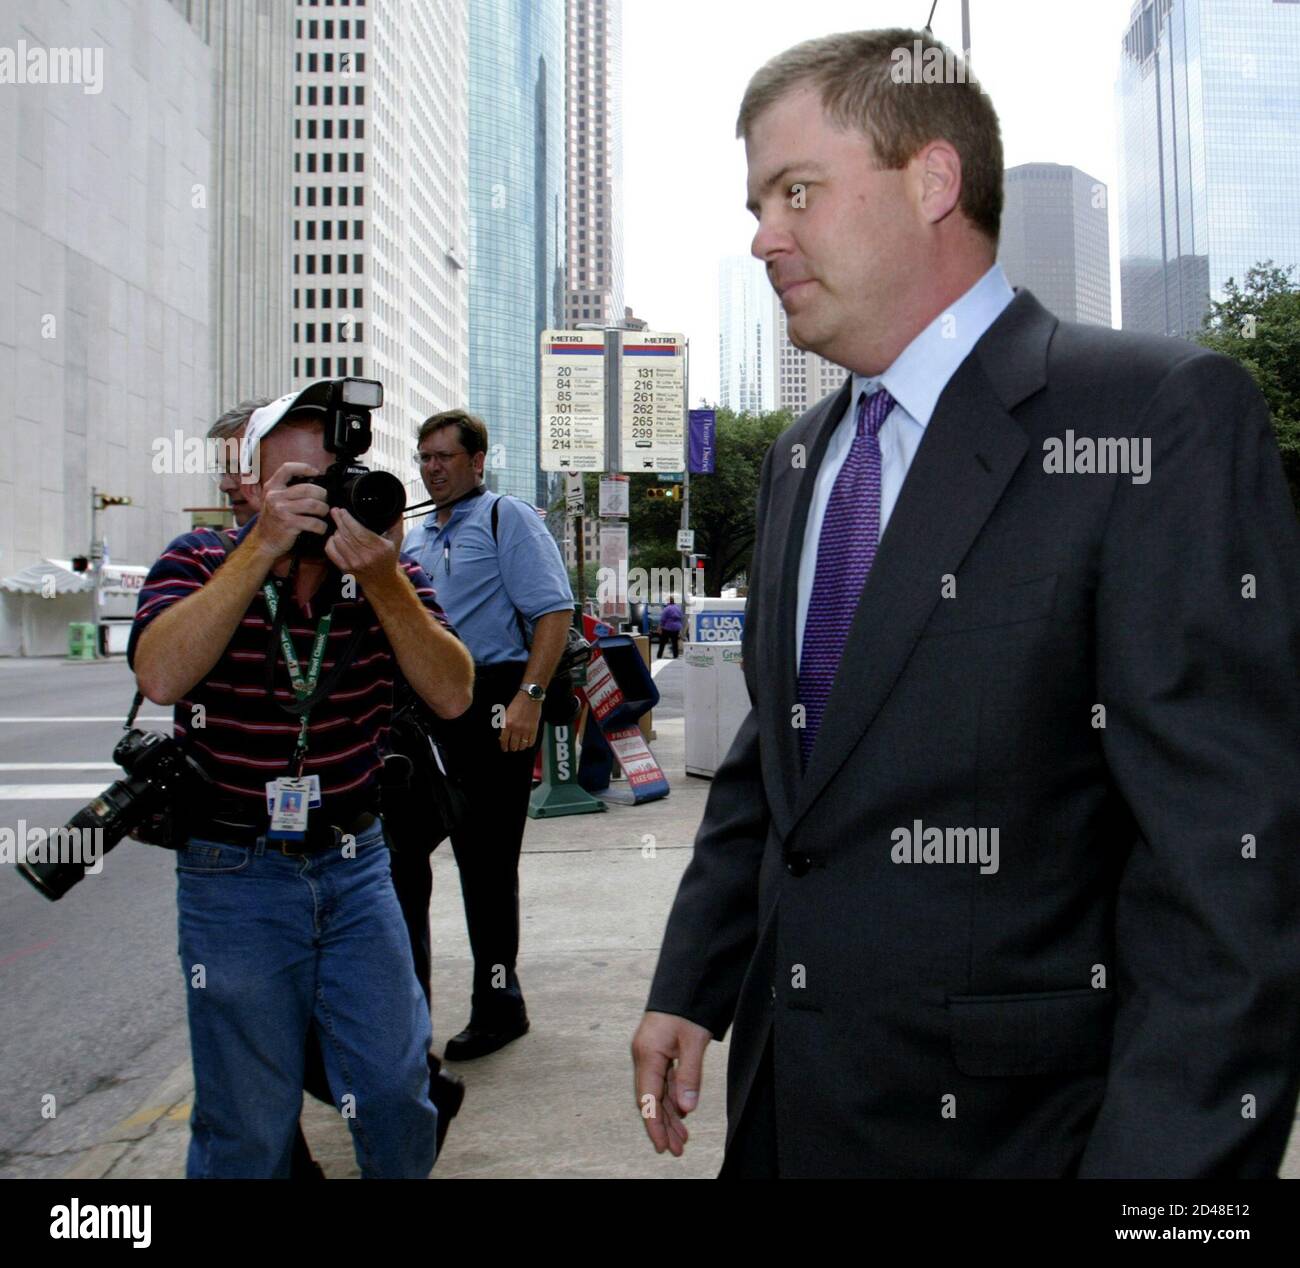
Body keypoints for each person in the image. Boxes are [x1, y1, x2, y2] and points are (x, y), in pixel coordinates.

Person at [632, 28, 1300, 1178]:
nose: (761, 236)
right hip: (790, 1117)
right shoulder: (802, 458)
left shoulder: (1154, 419)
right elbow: (780, 762)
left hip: (1020, 1138)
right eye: (755, 202)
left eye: (797, 191)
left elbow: (1226, 879)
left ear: (933, 180)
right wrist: (692, 981)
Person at [130, 384, 475, 1178]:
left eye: (334, 481)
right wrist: (260, 551)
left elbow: (453, 692)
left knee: (395, 1092)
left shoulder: (382, 577)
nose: (322, 504)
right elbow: (161, 674)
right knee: (248, 1126)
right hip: (233, 872)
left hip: (355, 863)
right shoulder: (199, 559)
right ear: (248, 488)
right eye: (297, 488)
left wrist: (385, 583)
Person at [402, 410, 575, 1060]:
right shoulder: (415, 537)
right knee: (399, 857)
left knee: (486, 865)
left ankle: (500, 1005)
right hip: (427, 713)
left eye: (445, 456)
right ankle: (403, 1013)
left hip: (496, 705)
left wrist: (529, 698)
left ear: (478, 461)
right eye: (424, 457)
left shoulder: (508, 518)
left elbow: (554, 611)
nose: (433, 468)